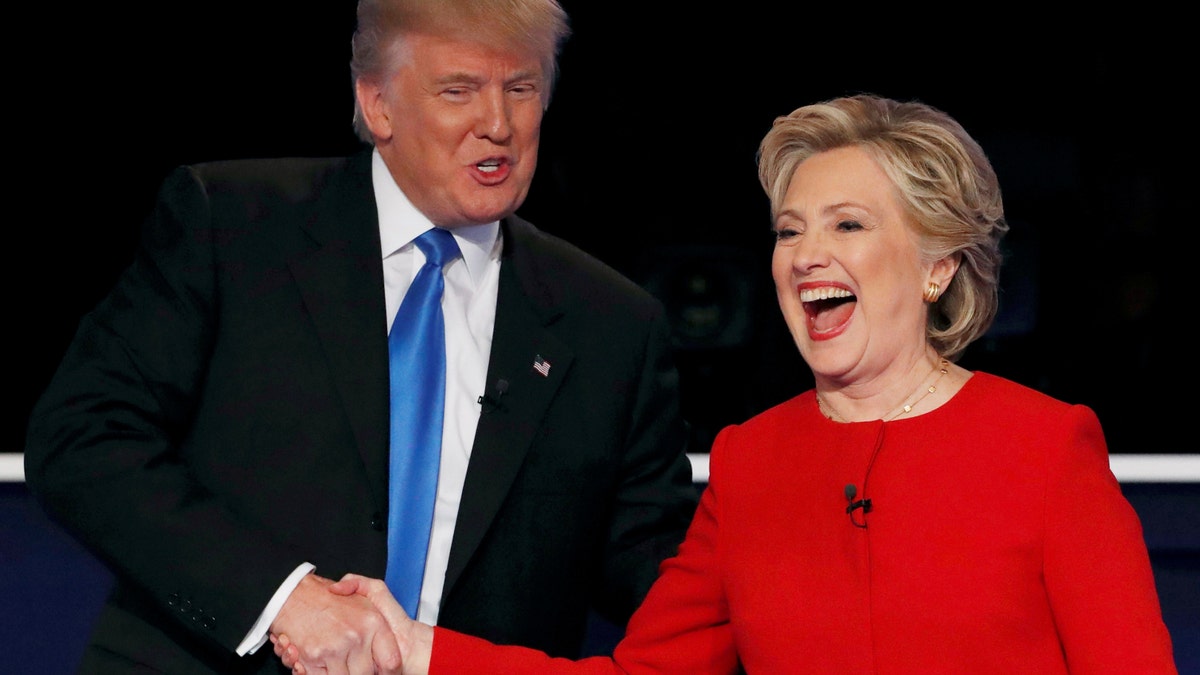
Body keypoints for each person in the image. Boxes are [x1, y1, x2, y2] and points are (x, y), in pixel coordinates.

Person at [278, 93, 1179, 674]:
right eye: (790, 231)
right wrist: (417, 647)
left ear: (938, 266)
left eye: (848, 224)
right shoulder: (752, 462)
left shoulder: (1046, 446)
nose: (806, 256)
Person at [22, 0, 699, 672]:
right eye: (459, 90)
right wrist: (281, 597)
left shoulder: (611, 323)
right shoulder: (233, 226)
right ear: (378, 103)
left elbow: (660, 570)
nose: (498, 124)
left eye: (520, 89)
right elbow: (85, 438)